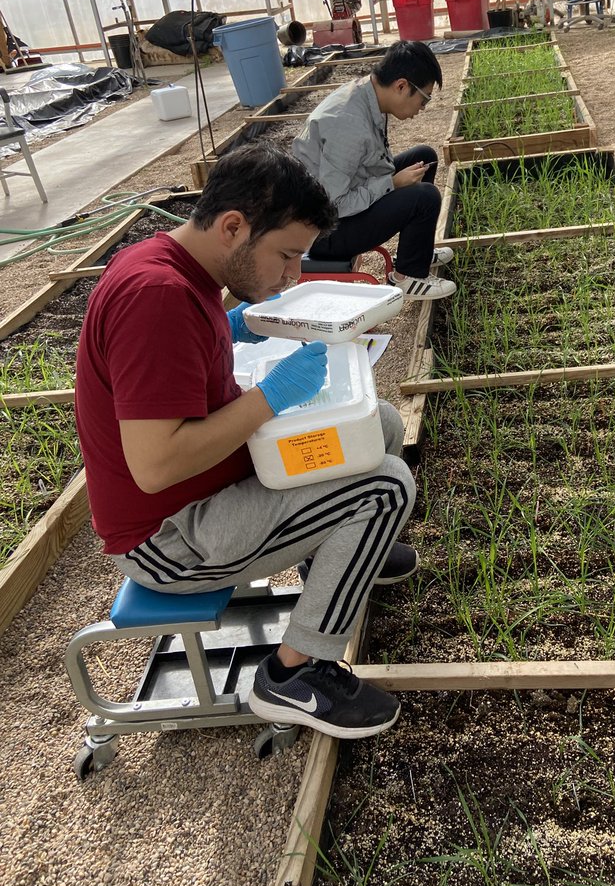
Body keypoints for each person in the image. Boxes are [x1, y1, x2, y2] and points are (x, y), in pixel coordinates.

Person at [74, 142, 418, 740]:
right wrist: (272, 397)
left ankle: (333, 552)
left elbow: (181, 370)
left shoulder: (178, 266)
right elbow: (155, 467)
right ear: (234, 227)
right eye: (286, 255)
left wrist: (231, 330)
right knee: (385, 488)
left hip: (208, 494)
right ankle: (294, 673)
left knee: (380, 424)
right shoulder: (158, 297)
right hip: (174, 538)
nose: (293, 274)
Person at [292, 40, 456, 300]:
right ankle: (408, 277)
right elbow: (336, 205)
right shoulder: (347, 124)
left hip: (340, 200)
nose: (421, 110)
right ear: (402, 86)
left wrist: (392, 180)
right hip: (324, 231)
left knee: (425, 157)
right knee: (425, 197)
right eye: (423, 100)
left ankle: (416, 251)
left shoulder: (367, 94)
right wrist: (392, 183)